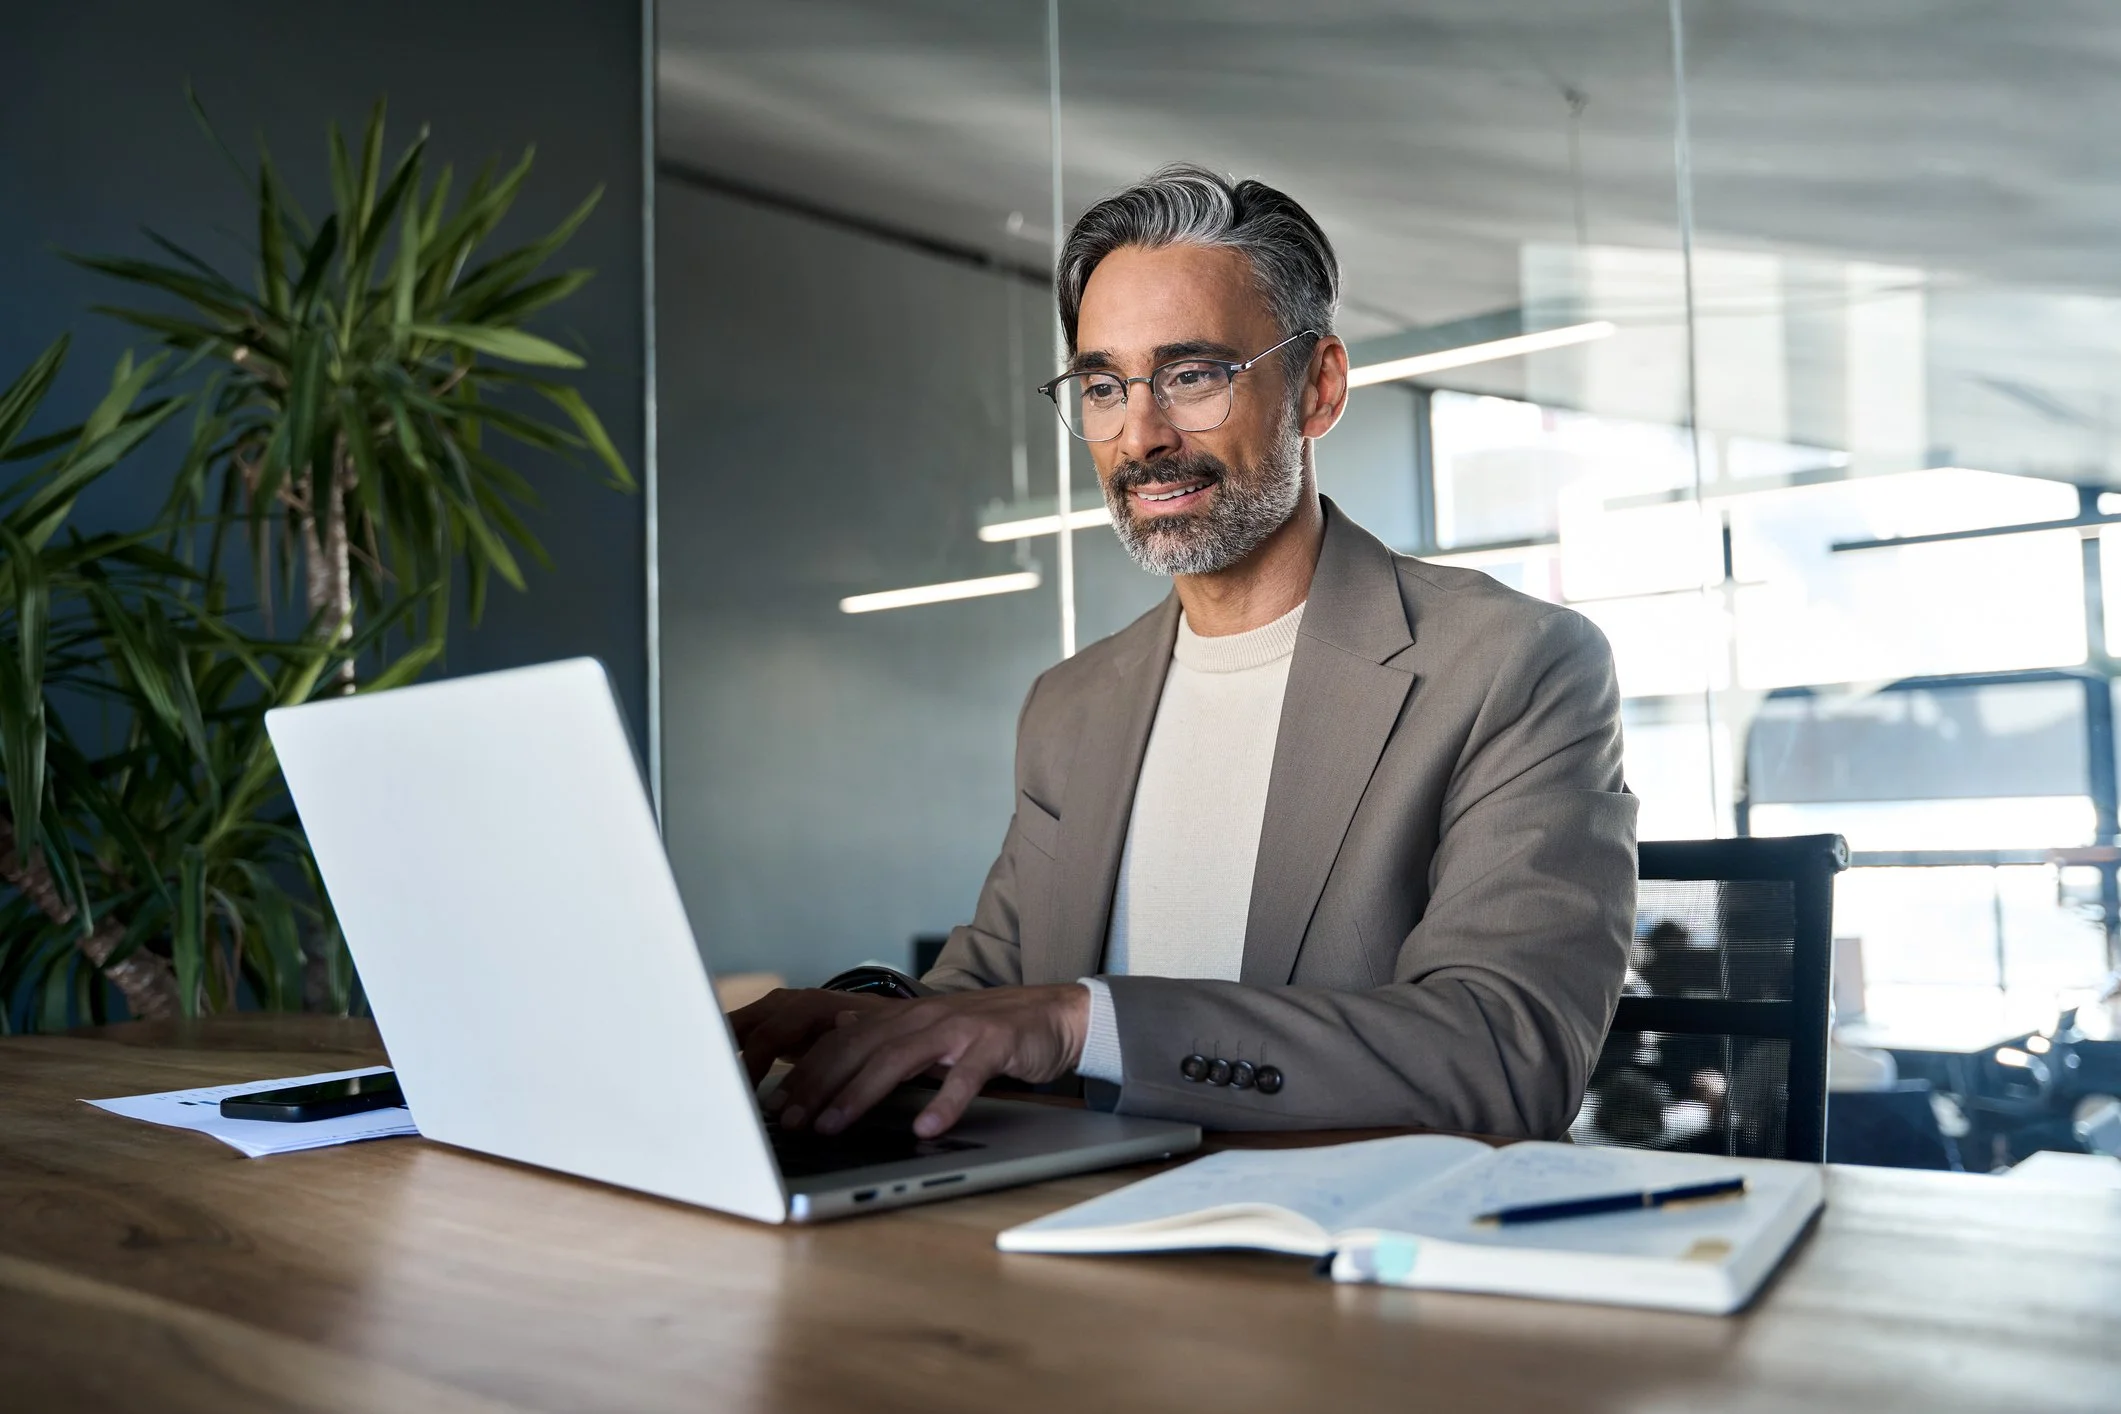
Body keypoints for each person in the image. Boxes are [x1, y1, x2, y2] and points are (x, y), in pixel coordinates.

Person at [733, 164, 1636, 1141]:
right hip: (1060, 1240)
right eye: (1103, 385)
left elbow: (1507, 1056)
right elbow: (986, 995)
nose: (1141, 433)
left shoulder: (1515, 664)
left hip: (1340, 1259)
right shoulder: (1070, 706)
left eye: (1194, 374)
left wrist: (1091, 1022)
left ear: (1319, 387)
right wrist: (863, 1020)